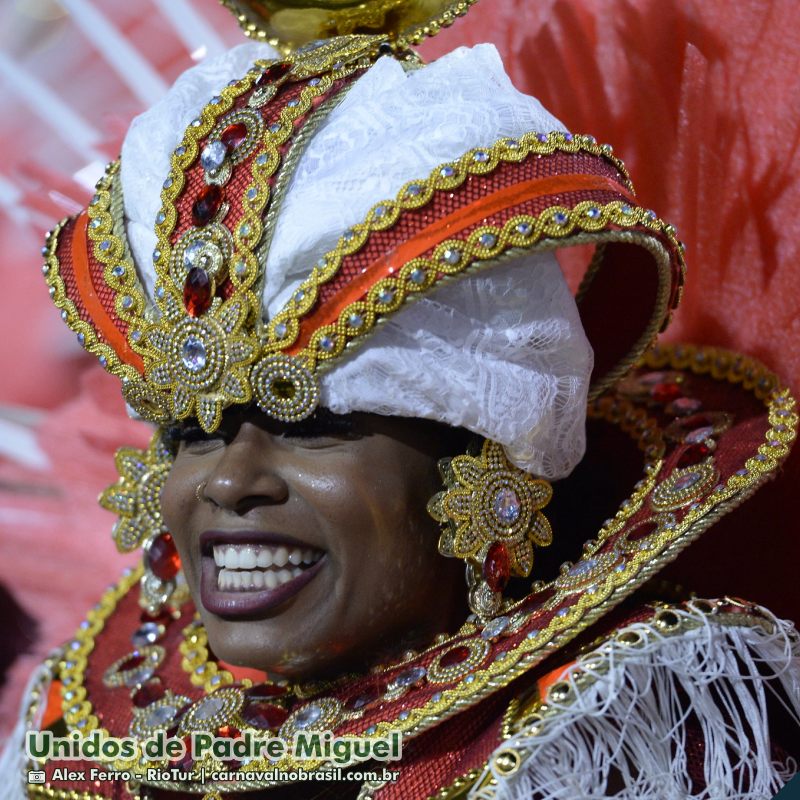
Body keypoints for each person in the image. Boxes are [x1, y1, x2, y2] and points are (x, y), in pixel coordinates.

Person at [1, 1, 799, 798]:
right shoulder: (87, 744)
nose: (224, 480)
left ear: (485, 461)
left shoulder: (621, 744)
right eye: (194, 428)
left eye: (313, 422)